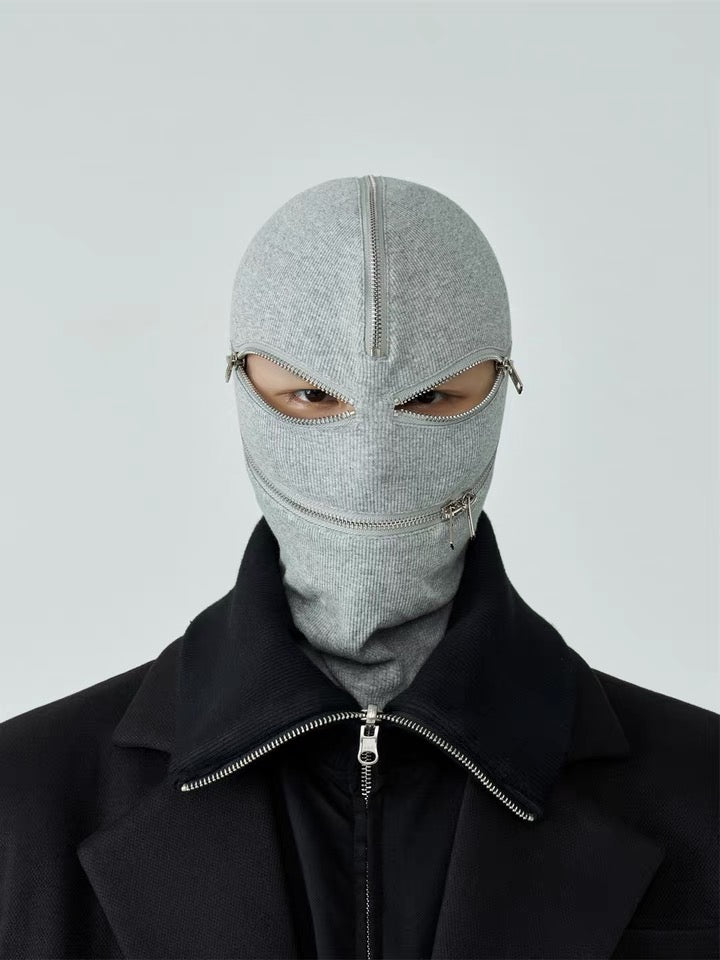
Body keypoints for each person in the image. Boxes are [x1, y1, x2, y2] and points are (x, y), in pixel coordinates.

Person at [0, 174, 717, 960]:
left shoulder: (700, 789)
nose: (371, 463)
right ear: (241, 383)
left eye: (431, 398)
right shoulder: (25, 802)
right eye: (313, 395)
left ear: (502, 386)